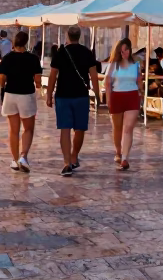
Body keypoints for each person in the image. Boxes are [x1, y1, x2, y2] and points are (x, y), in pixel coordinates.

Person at [46, 26, 99, 177]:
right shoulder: (87, 52)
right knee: (80, 128)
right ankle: (74, 155)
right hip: (81, 95)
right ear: (80, 36)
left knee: (65, 129)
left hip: (63, 95)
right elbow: (93, 75)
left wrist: (49, 94)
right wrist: (96, 93)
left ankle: (66, 162)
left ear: (67, 36)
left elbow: (53, 76)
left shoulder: (61, 52)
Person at [0, 31, 40, 173]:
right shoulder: (33, 59)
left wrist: (3, 87)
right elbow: (38, 81)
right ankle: (23, 157)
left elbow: (2, 80)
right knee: (28, 128)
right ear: (26, 42)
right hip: (26, 95)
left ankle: (14, 161)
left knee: (13, 130)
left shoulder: (7, 58)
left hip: (10, 94)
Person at [104, 38, 143, 171]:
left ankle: (125, 158)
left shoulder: (136, 65)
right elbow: (107, 83)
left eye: (126, 49)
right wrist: (108, 100)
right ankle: (118, 151)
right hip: (117, 96)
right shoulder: (113, 65)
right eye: (121, 51)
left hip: (132, 96)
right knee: (117, 128)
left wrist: (141, 90)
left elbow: (139, 81)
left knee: (128, 128)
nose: (124, 53)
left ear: (130, 49)